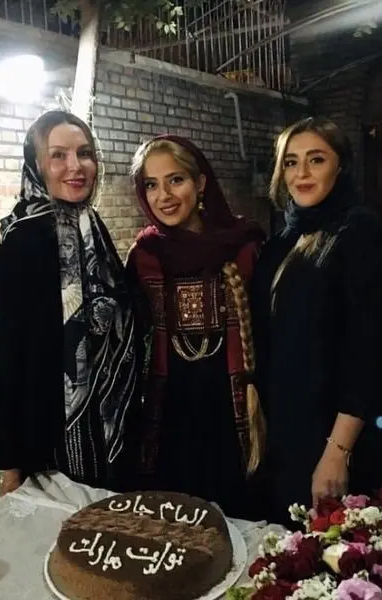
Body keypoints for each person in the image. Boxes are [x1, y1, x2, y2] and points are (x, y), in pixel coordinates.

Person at [251, 116, 382, 525]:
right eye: (291, 162)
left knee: (343, 550)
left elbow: (369, 356)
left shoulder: (362, 236)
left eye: (316, 160)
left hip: (344, 431)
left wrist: (337, 452)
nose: (302, 174)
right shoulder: (282, 241)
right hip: (291, 424)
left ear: (340, 166)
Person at [0, 110, 141, 497]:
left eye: (84, 153)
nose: (75, 167)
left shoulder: (92, 226)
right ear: (36, 164)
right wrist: (10, 467)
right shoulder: (22, 243)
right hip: (52, 438)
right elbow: (7, 358)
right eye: (58, 155)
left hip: (112, 425)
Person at [126, 134, 267, 520]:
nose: (164, 196)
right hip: (170, 416)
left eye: (176, 180)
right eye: (151, 185)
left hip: (234, 412)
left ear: (201, 182)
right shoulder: (144, 256)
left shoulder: (244, 247)